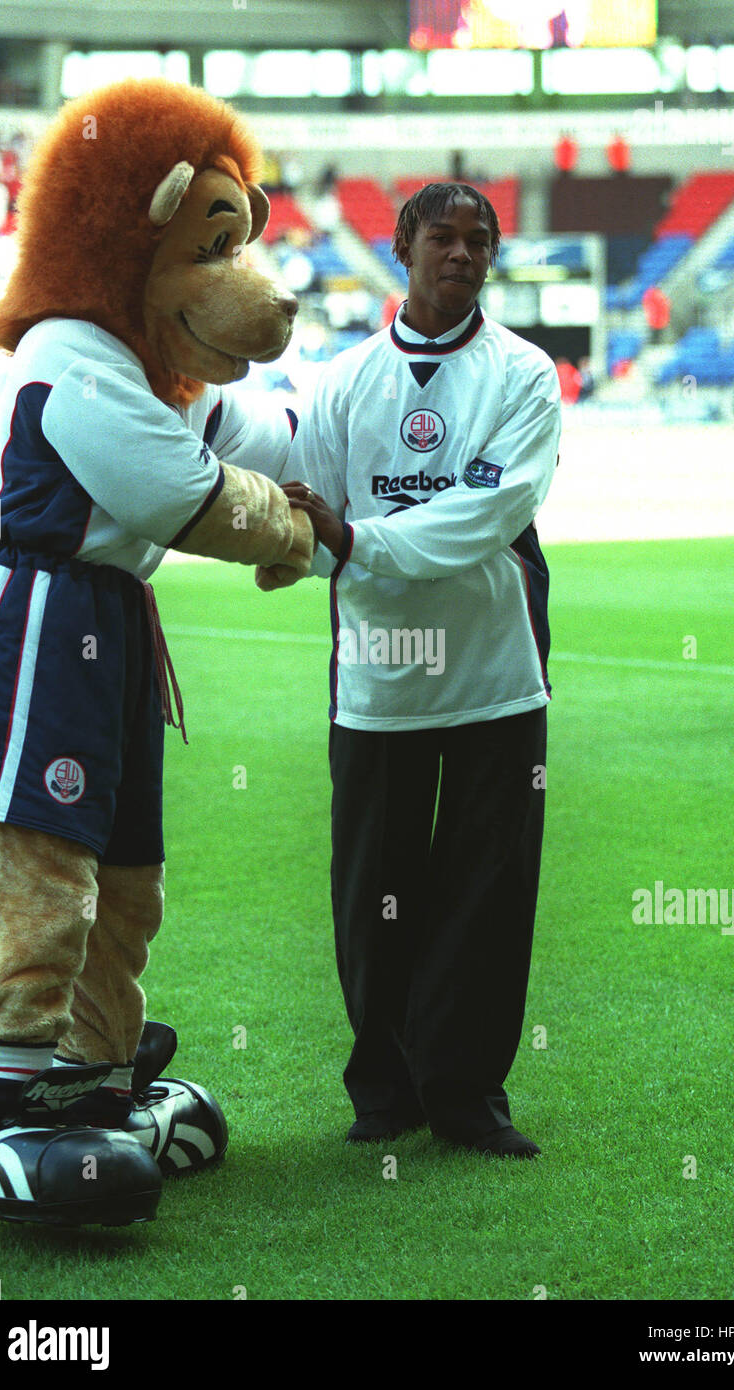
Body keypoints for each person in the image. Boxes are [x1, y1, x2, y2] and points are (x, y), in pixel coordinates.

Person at [261, 183, 561, 1158]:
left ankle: (466, 1093)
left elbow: (489, 513)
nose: (462, 254)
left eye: (479, 241)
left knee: (487, 883)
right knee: (373, 887)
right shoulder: (344, 380)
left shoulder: (522, 375)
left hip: (493, 668)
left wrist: (356, 537)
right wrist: (302, 534)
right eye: (443, 236)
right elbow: (311, 536)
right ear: (401, 245)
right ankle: (384, 1087)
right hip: (380, 672)